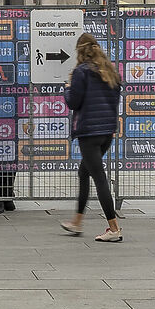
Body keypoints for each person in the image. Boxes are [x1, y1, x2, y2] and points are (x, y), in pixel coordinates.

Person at [61, 33, 124, 243]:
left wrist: (67, 88)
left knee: (99, 178)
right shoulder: (110, 71)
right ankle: (77, 221)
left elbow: (73, 103)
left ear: (80, 51)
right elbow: (115, 100)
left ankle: (114, 228)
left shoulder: (81, 72)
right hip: (107, 131)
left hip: (89, 132)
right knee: (84, 172)